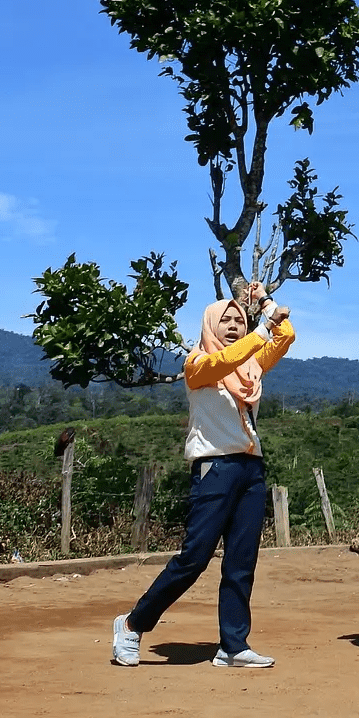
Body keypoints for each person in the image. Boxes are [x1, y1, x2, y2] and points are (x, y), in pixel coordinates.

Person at [110, 285, 295, 668]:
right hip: (214, 468)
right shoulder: (197, 365)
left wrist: (264, 303)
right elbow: (224, 361)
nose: (232, 325)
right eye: (224, 320)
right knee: (194, 558)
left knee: (242, 561)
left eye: (238, 321)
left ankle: (233, 645)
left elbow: (286, 335)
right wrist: (260, 330)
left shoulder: (251, 367)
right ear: (210, 324)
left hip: (250, 468)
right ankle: (132, 625)